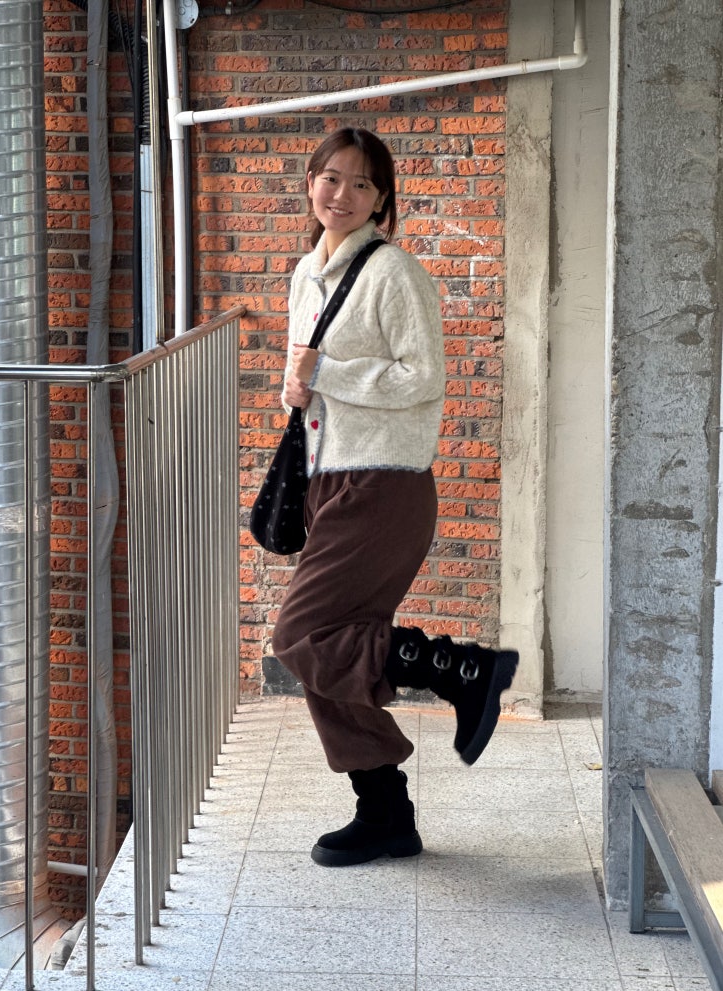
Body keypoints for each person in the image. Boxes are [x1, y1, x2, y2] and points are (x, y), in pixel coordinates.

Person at [271, 126, 518, 868]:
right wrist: (298, 389)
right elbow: (307, 374)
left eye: (361, 184)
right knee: (331, 653)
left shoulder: (394, 272)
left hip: (382, 483)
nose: (341, 194)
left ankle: (458, 669)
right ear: (310, 182)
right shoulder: (305, 273)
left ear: (381, 199)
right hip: (327, 481)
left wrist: (326, 374)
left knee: (302, 636)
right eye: (330, 178)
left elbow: (423, 378)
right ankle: (385, 813)